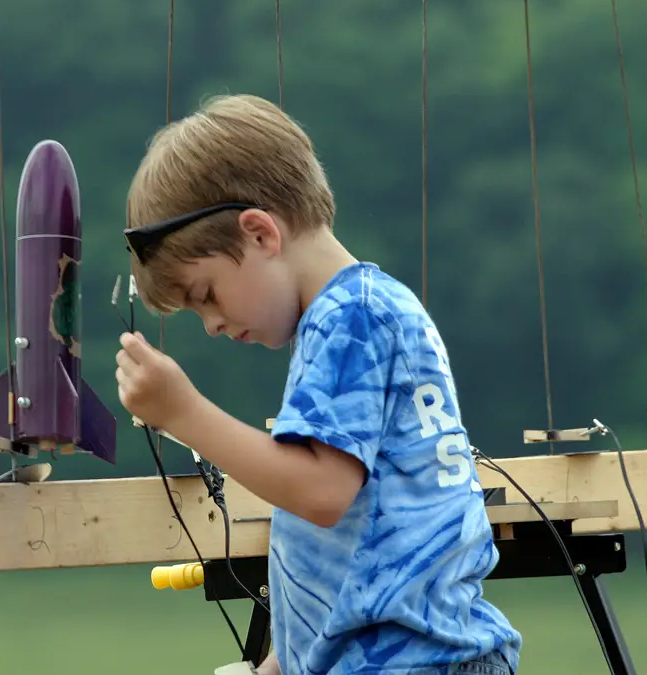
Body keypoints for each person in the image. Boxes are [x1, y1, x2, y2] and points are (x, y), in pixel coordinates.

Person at [114, 93, 522, 675]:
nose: (212, 325)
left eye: (206, 295)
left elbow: (322, 494)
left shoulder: (349, 320)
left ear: (259, 234)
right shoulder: (363, 312)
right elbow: (364, 550)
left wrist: (182, 413)